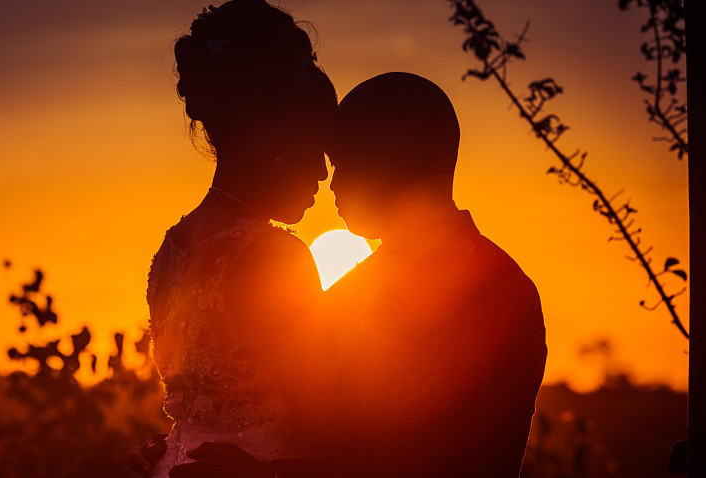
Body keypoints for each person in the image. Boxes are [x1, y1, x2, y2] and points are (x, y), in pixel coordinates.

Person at [142, 72, 547, 477]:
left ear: (393, 157)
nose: (331, 183)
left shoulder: (497, 291)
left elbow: (443, 457)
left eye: (344, 162)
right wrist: (181, 450)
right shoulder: (349, 286)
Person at [140, 1, 340, 477]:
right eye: (315, 147)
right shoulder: (274, 257)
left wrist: (165, 450)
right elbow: (330, 432)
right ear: (276, 140)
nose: (323, 172)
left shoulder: (172, 249)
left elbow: (197, 414)